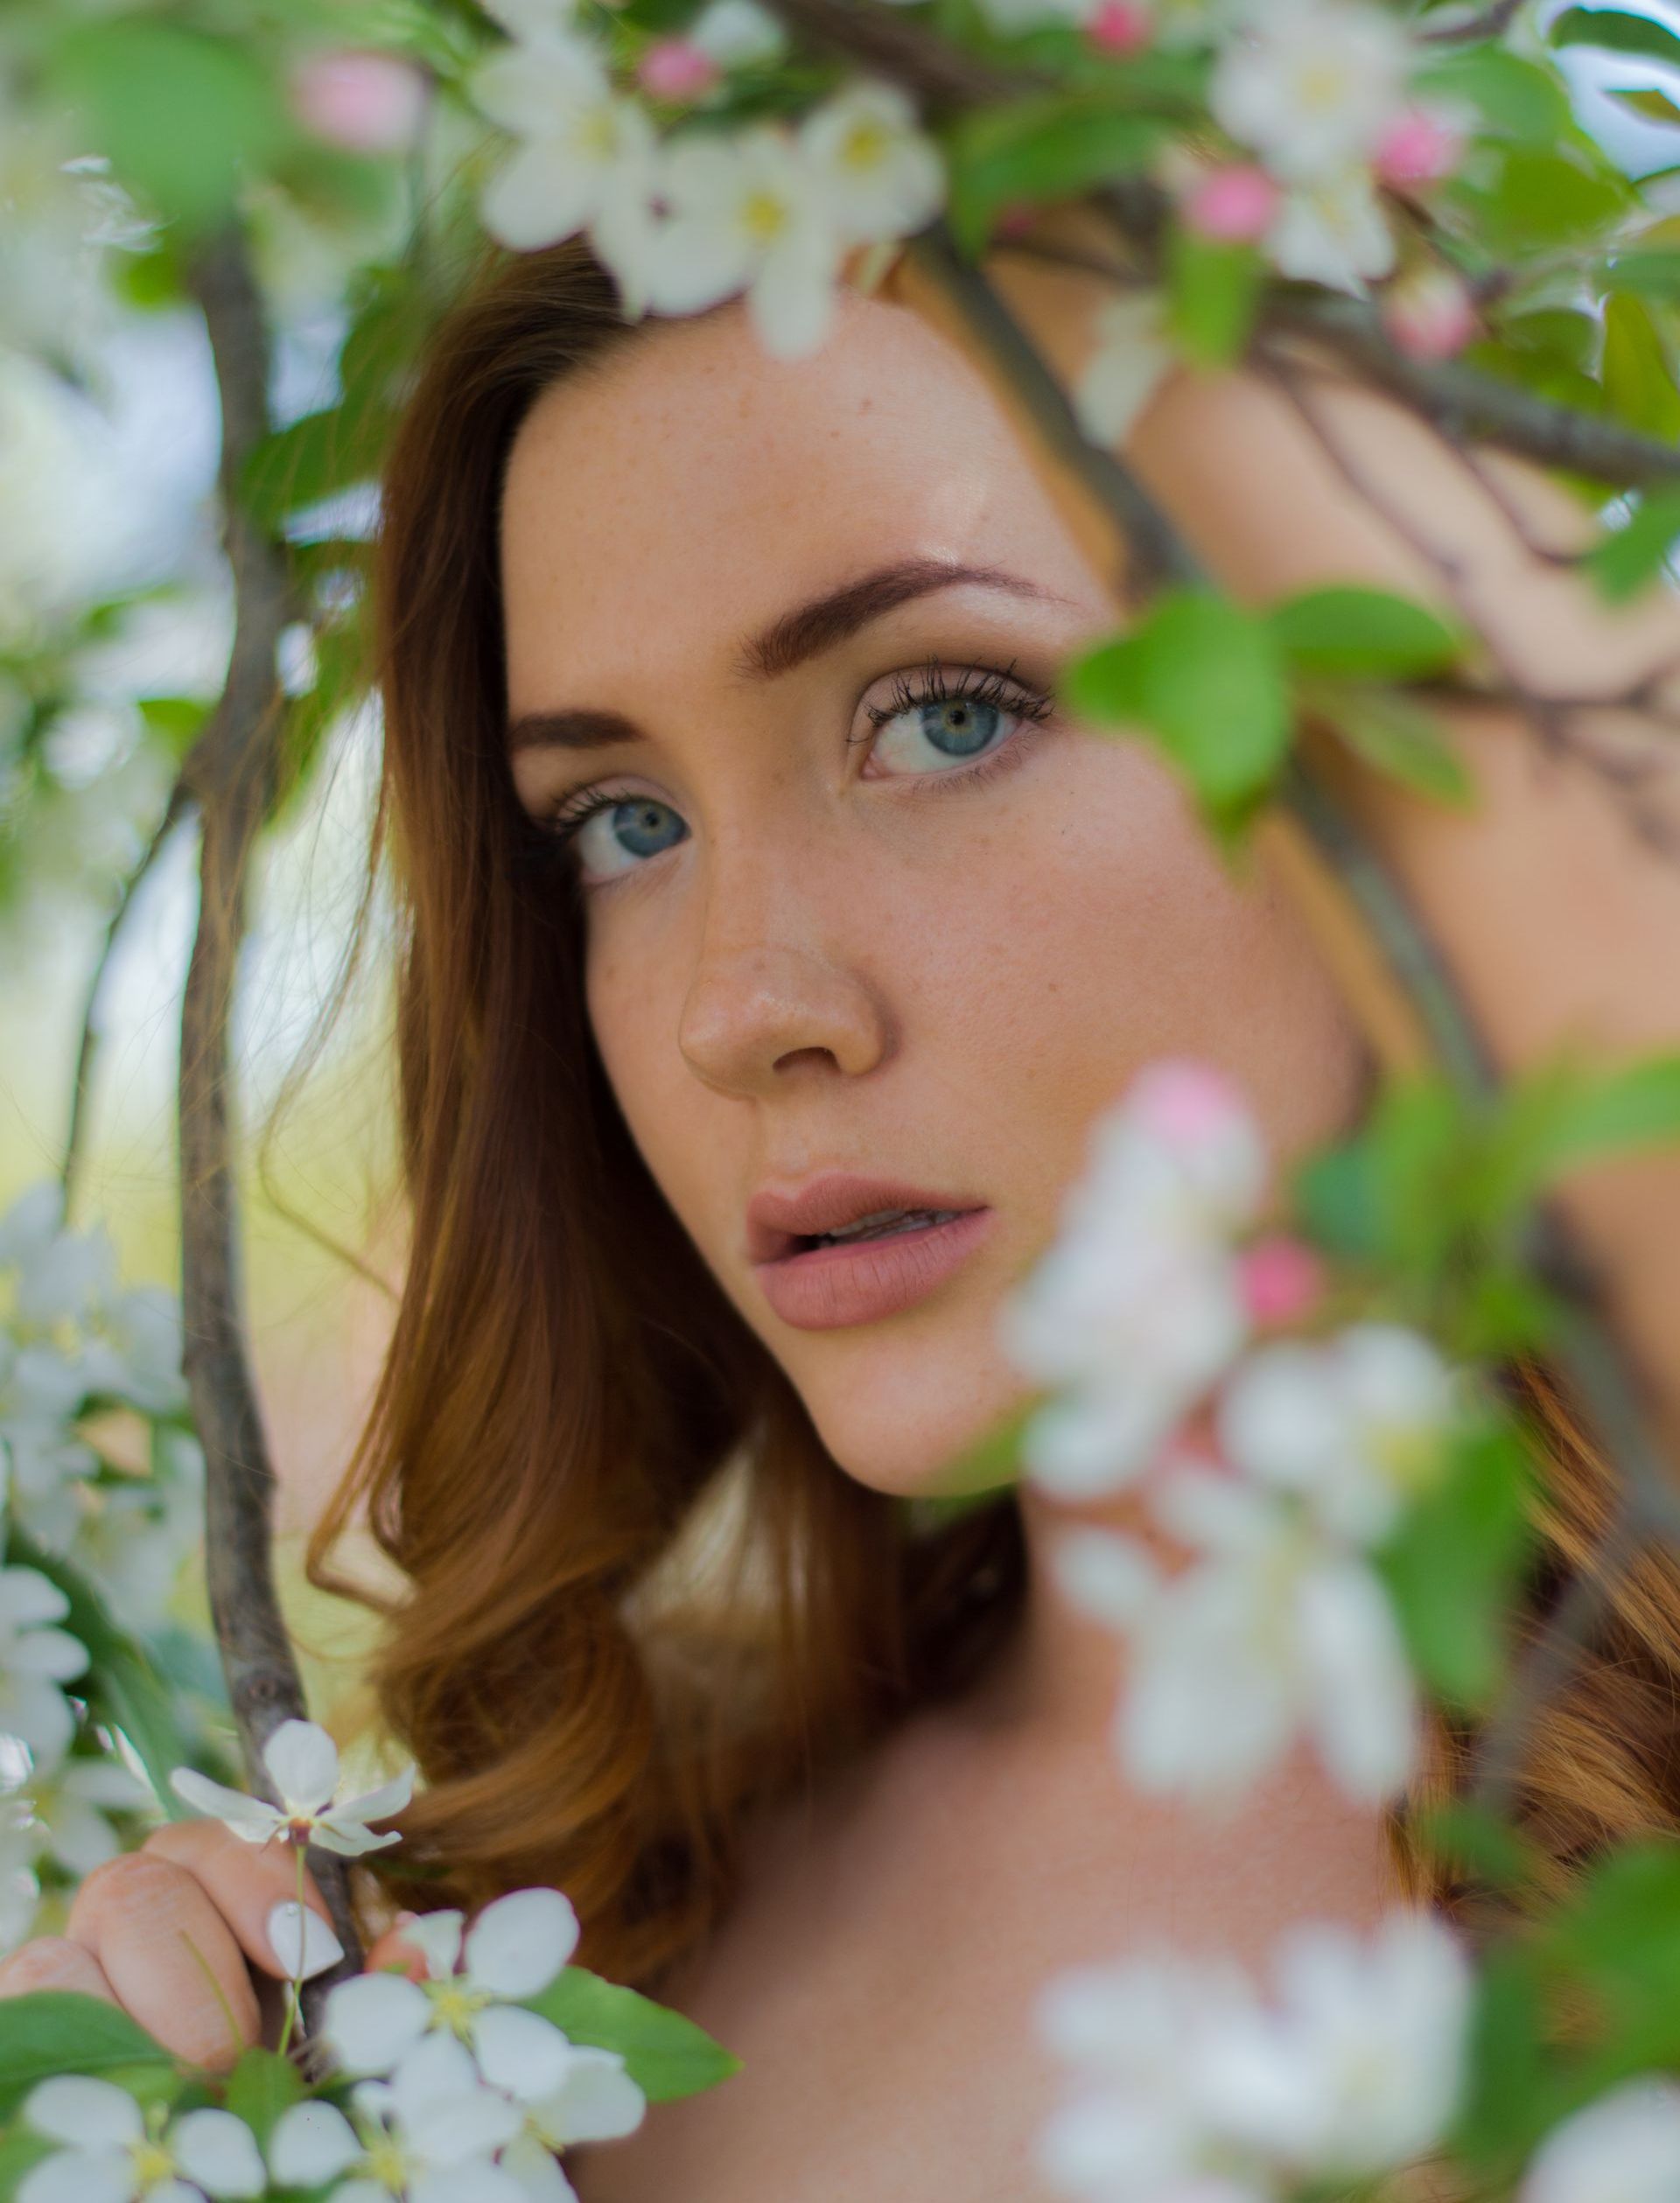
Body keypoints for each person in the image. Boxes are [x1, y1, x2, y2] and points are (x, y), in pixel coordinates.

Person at [4, 212, 1679, 2203]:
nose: (737, 1008)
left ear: (1402, 734)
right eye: (623, 825)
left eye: (949, 710)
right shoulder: (495, 1997)